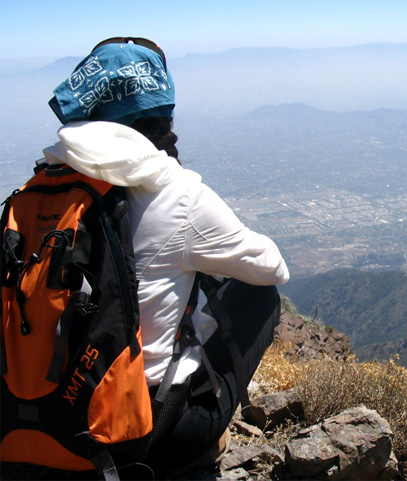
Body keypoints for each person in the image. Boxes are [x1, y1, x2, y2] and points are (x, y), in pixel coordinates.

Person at [45, 37, 289, 476]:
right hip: (135, 433)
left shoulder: (45, 188)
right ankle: (202, 445)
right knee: (261, 295)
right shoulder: (176, 194)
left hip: (42, 421)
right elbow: (273, 266)